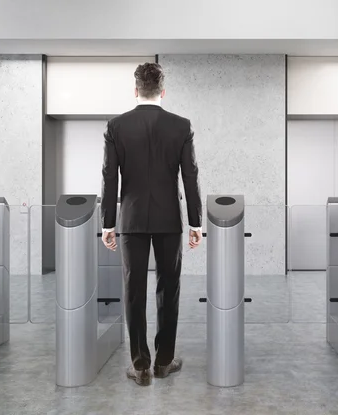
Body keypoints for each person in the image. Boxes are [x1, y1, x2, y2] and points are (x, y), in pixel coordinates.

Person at [100, 62, 203, 386]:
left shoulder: (117, 126)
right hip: (170, 220)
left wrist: (108, 224)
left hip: (130, 220)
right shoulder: (181, 126)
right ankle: (164, 360)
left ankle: (140, 365)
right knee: (168, 289)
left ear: (135, 91)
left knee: (133, 290)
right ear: (163, 91)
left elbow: (109, 177)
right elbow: (190, 176)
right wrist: (196, 223)